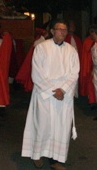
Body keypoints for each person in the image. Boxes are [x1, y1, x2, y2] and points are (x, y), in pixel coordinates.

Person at [21, 19, 79, 170]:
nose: (62, 32)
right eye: (59, 29)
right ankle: (37, 155)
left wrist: (63, 90)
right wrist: (53, 90)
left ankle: (55, 160)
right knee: (42, 125)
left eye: (65, 30)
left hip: (63, 96)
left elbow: (75, 73)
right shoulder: (41, 48)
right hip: (44, 95)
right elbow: (37, 73)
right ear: (52, 31)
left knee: (61, 128)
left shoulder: (71, 50)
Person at [64, 20, 82, 97]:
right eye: (71, 26)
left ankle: (75, 93)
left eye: (74, 26)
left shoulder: (77, 39)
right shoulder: (65, 38)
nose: (73, 28)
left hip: (76, 62)